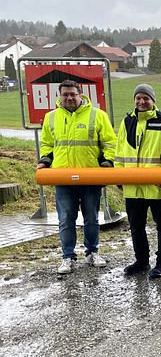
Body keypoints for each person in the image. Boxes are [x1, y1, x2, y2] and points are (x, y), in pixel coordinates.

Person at [37, 80, 117, 274]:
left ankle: (92, 252)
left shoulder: (97, 115)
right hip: (63, 177)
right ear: (60, 96)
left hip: (90, 176)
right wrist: (45, 160)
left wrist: (107, 161)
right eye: (65, 95)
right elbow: (47, 144)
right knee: (65, 219)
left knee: (91, 218)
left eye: (73, 94)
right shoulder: (51, 117)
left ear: (80, 94)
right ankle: (68, 256)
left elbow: (110, 142)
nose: (69, 98)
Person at [114, 83, 161, 279]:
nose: (142, 102)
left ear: (153, 101)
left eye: (146, 98)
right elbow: (119, 152)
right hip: (133, 186)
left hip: (158, 186)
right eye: (139, 98)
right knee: (136, 226)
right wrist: (119, 175)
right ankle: (141, 261)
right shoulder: (127, 122)